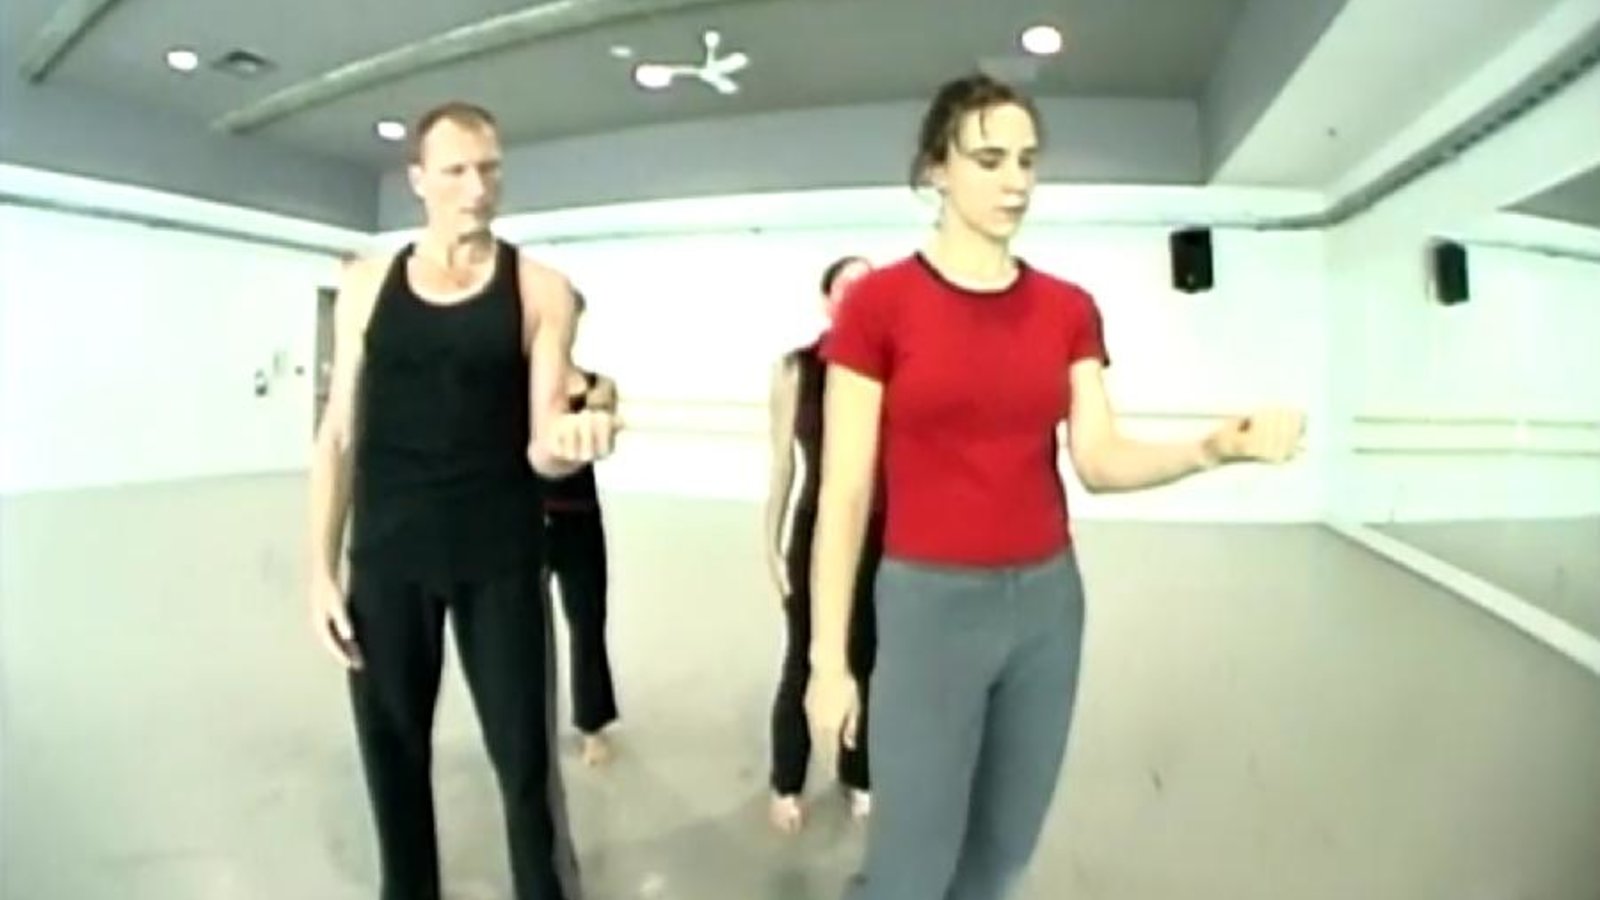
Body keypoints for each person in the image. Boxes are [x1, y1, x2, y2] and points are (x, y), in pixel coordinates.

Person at [804, 73, 1305, 900]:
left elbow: (1099, 460)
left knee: (1001, 855)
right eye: (989, 160)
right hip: (929, 608)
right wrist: (829, 660)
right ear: (936, 169)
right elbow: (844, 494)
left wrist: (1212, 449)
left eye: (1028, 161)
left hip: (1047, 608)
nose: (1015, 182)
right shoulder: (879, 306)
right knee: (909, 868)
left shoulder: (1066, 308)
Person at [306, 100, 617, 900]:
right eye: (456, 171)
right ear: (418, 180)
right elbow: (337, 435)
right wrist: (318, 571)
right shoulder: (366, 287)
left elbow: (541, 445)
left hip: (499, 561)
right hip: (388, 561)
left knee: (526, 769)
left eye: (490, 169)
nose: (477, 188)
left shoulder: (541, 290)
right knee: (393, 760)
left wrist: (573, 442)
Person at [763, 255, 881, 833]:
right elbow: (782, 466)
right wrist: (769, 542)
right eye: (847, 287)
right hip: (815, 531)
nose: (859, 296)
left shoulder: (893, 370)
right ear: (827, 301)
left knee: (868, 658)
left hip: (882, 533)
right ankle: (787, 779)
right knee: (804, 655)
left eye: (869, 287)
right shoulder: (797, 370)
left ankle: (858, 771)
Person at [540, 288, 621, 768]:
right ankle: (526, 721)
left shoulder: (599, 386)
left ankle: (592, 724)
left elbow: (598, 438)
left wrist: (590, 414)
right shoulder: (519, 383)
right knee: (522, 630)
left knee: (587, 622)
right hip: (524, 520)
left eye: (570, 317)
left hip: (578, 516)